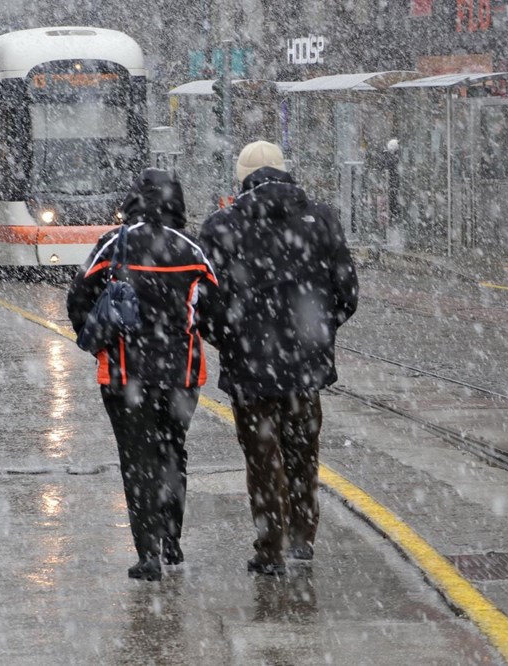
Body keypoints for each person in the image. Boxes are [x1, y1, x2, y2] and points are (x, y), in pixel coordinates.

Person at [198, 140, 358, 575]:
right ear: (286, 172)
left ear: (241, 177)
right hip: (305, 367)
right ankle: (303, 539)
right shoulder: (320, 219)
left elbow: (207, 306)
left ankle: (270, 549)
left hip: (250, 369)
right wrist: (316, 336)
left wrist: (231, 343)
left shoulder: (220, 226)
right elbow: (347, 293)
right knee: (302, 451)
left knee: (262, 459)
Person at [66, 168, 219, 582]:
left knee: (137, 461)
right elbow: (215, 310)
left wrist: (98, 340)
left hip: (123, 373)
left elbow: (78, 297)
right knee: (172, 453)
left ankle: (147, 554)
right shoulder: (192, 249)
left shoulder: (115, 242)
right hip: (181, 375)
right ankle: (172, 542)